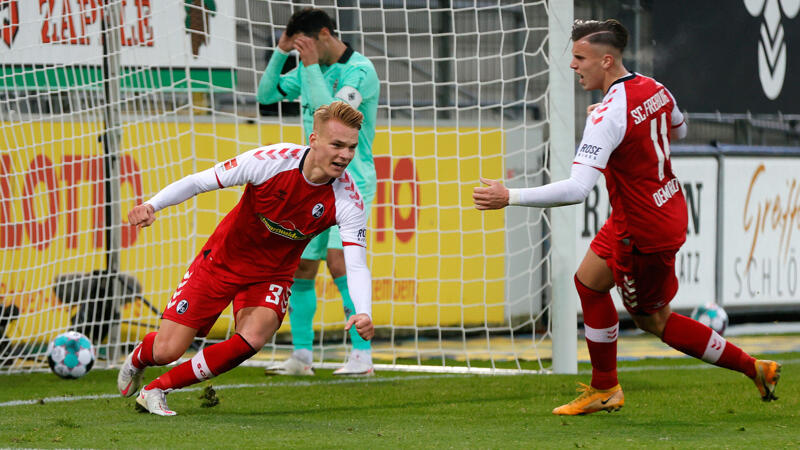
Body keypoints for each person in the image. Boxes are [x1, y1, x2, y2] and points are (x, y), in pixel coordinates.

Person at [473, 19, 781, 416]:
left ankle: (752, 368)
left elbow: (577, 189)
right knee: (587, 282)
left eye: (580, 58)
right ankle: (605, 386)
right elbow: (681, 130)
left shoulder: (607, 117)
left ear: (606, 60)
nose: (573, 66)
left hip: (643, 230)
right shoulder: (654, 88)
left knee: (655, 320)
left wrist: (508, 196)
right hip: (655, 209)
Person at [117, 102, 375, 416]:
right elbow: (200, 181)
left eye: (351, 147)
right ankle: (139, 358)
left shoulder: (348, 199)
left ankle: (157, 389)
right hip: (221, 262)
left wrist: (363, 311)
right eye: (337, 145)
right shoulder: (270, 162)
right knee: (168, 349)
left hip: (272, 274)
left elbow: (356, 262)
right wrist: (152, 205)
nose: (345, 155)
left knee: (255, 335)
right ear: (314, 140)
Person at [256, 7, 380, 376]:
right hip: (312, 182)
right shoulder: (313, 69)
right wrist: (281, 54)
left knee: (340, 261)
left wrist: (308, 66)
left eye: (305, 46)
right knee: (303, 266)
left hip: (351, 183)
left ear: (324, 35)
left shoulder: (360, 71)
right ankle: (303, 357)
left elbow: (332, 116)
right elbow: (265, 96)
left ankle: (362, 356)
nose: (302, 54)